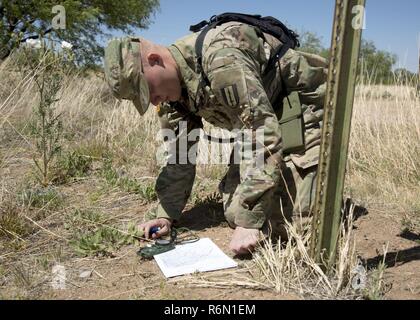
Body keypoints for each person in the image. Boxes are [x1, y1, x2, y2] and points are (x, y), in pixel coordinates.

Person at [103, 18, 328, 255]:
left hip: (299, 107)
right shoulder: (170, 97)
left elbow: (261, 130)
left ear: (155, 60)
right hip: (260, 120)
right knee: (234, 211)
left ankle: (322, 185)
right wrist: (166, 215)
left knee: (294, 221)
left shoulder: (221, 59)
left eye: (146, 90)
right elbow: (179, 154)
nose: (152, 101)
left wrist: (249, 222)